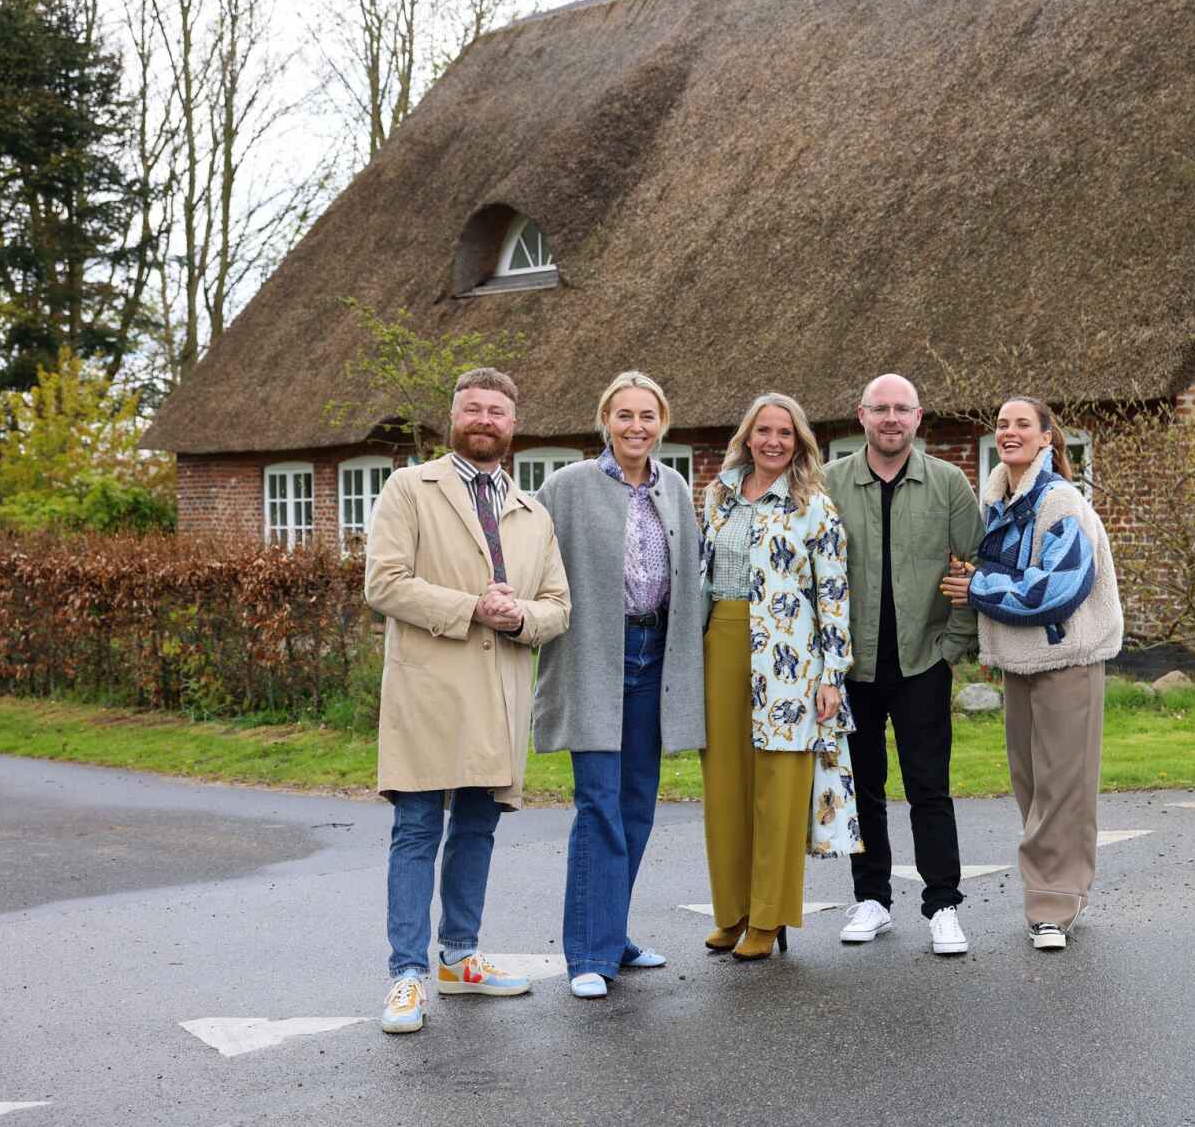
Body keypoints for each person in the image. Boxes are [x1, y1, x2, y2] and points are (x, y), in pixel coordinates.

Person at [365, 367, 572, 1032]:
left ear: (514, 426)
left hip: (499, 692)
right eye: (473, 409)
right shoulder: (409, 489)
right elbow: (385, 584)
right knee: (419, 826)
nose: (485, 420)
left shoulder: (532, 512)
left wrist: (520, 620)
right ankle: (407, 975)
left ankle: (459, 958)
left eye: (497, 412)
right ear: (452, 418)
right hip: (430, 687)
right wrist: (471, 608)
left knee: (479, 826)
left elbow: (558, 607)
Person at [531, 371, 704, 999]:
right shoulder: (568, 486)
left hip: (655, 657)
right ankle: (590, 954)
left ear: (663, 423)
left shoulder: (676, 488)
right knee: (598, 802)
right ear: (606, 420)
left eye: (648, 416)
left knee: (637, 803)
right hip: (595, 655)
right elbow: (527, 557)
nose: (637, 427)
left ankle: (611, 929)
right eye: (625, 415)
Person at [940, 397, 1122, 951]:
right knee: (1032, 786)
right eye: (1002, 424)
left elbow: (1058, 590)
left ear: (1047, 438)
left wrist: (976, 588)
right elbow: (1012, 570)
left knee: (1064, 789)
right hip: (1020, 662)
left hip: (1066, 660)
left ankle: (1053, 906)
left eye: (1023, 424)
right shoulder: (999, 501)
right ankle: (1056, 892)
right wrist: (980, 574)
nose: (1010, 431)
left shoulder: (1060, 501)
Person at [698, 392, 861, 961]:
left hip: (791, 656)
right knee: (725, 783)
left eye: (785, 434)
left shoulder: (812, 504)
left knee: (780, 784)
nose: (772, 441)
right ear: (746, 436)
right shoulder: (717, 497)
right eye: (763, 430)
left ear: (799, 444)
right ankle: (733, 911)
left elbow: (834, 593)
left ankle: (768, 919)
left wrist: (831, 674)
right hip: (720, 637)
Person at [824, 374, 982, 955]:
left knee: (928, 788)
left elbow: (974, 567)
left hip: (922, 661)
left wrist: (951, 646)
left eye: (902, 410)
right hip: (852, 667)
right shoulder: (830, 484)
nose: (891, 419)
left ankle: (943, 903)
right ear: (861, 415)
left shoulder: (947, 484)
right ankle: (872, 900)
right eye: (880, 409)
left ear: (918, 418)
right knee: (863, 787)